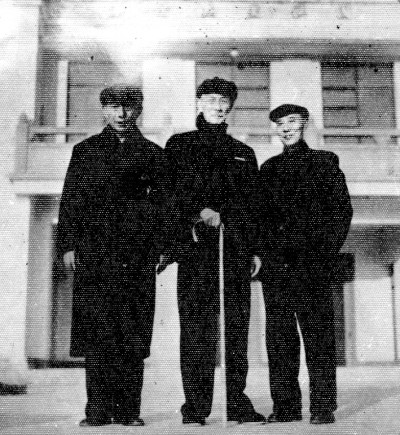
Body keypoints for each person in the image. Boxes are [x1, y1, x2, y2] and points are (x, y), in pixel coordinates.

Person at [57, 85, 167, 427]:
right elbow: (71, 200)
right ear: (103, 110)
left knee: (132, 334)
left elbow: (164, 206)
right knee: (98, 334)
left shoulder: (152, 153)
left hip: (137, 256)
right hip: (96, 255)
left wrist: (163, 247)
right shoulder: (85, 151)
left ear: (139, 110)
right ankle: (97, 411)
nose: (121, 114)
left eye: (128, 107)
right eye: (114, 107)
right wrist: (68, 245)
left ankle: (129, 411)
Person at [162, 77, 266, 426]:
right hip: (196, 250)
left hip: (234, 249)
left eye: (224, 101)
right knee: (197, 329)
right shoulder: (179, 145)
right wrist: (198, 212)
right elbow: (169, 195)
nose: (218, 106)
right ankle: (195, 407)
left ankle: (235, 402)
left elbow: (253, 204)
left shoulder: (243, 152)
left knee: (236, 328)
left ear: (231, 106)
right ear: (198, 103)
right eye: (211, 100)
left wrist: (253, 249)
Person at [257, 104, 353, 425]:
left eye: (292, 122)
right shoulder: (269, 169)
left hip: (312, 266)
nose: (286, 128)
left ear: (304, 124)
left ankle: (323, 407)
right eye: (280, 123)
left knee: (318, 336)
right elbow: (260, 219)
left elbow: (341, 212)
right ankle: (285, 407)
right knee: (280, 339)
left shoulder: (325, 163)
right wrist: (265, 255)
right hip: (277, 269)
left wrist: (323, 255)